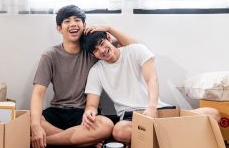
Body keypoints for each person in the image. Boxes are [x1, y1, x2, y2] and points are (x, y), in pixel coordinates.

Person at [80, 31, 221, 146]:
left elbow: (152, 79)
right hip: (132, 118)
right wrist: (89, 112)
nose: (102, 50)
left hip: (159, 110)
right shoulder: (96, 71)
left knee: (212, 114)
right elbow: (92, 104)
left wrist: (152, 108)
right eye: (96, 51)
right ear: (93, 55)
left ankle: (158, 139)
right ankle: (176, 137)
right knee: (119, 131)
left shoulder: (136, 50)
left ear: (109, 38)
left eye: (101, 43)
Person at [30, 5, 137, 148]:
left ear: (84, 25)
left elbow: (135, 48)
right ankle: (80, 141)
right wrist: (36, 125)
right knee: (29, 120)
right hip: (57, 111)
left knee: (106, 125)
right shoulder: (50, 55)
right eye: (67, 21)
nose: (73, 24)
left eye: (77, 20)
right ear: (59, 29)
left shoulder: (94, 51)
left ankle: (53, 141)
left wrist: (109, 28)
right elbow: (38, 93)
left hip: (84, 114)